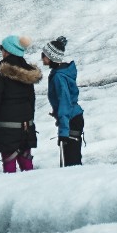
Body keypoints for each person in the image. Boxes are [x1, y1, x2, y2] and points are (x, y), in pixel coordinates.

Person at [0, 34, 40, 172]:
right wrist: (29, 117)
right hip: (26, 125)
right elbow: (31, 99)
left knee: (9, 164)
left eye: (2, 48)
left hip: (7, 126)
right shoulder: (28, 72)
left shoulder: (3, 71)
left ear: (7, 51)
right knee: (26, 162)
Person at [42, 37, 84, 167]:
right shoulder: (60, 72)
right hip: (74, 118)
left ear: (51, 57)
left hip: (71, 120)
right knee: (73, 160)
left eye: (44, 55)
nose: (42, 58)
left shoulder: (59, 77)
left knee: (70, 165)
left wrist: (63, 133)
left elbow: (64, 104)